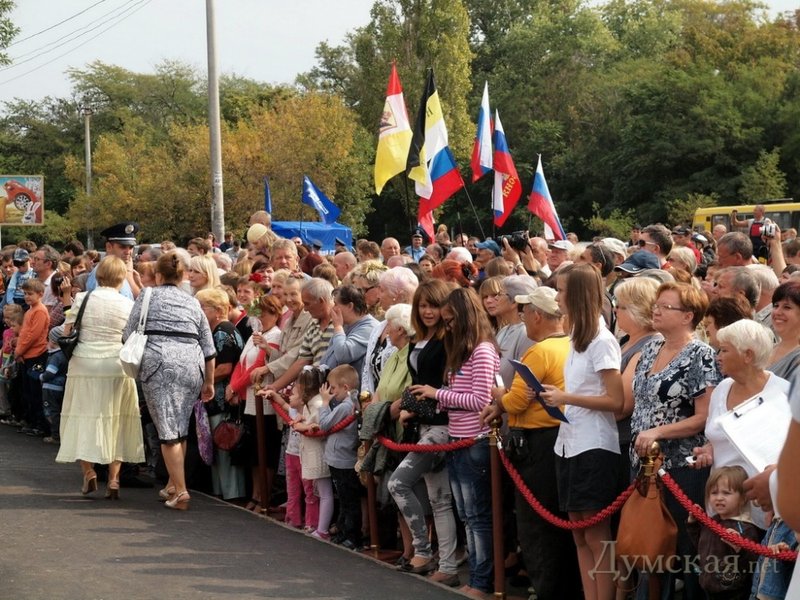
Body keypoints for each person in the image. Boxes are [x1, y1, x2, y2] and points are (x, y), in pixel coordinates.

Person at [481, 286, 583, 599]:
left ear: (538, 315)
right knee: (556, 523)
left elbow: (516, 402)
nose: (523, 317)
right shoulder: (570, 345)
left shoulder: (539, 351)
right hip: (561, 439)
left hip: (538, 443)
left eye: (526, 311)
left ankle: (549, 590)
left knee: (538, 527)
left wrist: (500, 396)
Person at [631, 281, 721, 599]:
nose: (656, 309)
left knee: (685, 549)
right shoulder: (651, 348)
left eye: (666, 306)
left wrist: (657, 432)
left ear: (688, 316)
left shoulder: (702, 355)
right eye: (657, 303)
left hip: (682, 466)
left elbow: (703, 416)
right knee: (649, 546)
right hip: (643, 465)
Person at [410, 287, 500, 598]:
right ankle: (475, 577)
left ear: (464, 319)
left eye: (450, 322)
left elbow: (481, 399)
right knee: (466, 514)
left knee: (477, 516)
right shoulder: (462, 351)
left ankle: (482, 581)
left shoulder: (483, 351)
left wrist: (438, 395)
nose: (446, 328)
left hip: (475, 440)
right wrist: (435, 400)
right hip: (458, 438)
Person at [540, 263, 623, 600]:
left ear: (575, 294)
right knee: (579, 533)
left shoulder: (602, 341)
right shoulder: (577, 338)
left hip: (595, 446)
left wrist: (565, 397)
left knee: (596, 535)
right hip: (570, 442)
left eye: (561, 290)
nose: (557, 297)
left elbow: (616, 400)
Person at [124, 251, 216, 511]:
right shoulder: (193, 301)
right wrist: (208, 381)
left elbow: (128, 332)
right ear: (183, 275)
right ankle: (175, 485)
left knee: (167, 433)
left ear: (158, 275)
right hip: (192, 366)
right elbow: (208, 346)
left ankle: (182, 490)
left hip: (159, 365)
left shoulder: (147, 295)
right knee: (179, 429)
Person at [56, 257, 144, 498]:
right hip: (116, 364)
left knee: (82, 417)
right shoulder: (128, 303)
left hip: (84, 363)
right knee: (117, 420)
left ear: (99, 275)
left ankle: (89, 473)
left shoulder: (84, 298)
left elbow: (67, 329)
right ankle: (114, 479)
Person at [690, 319, 789, 530]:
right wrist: (708, 450)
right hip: (721, 510)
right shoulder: (721, 389)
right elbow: (716, 437)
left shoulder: (784, 393)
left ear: (748, 355)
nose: (718, 357)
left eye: (724, 350)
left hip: (764, 511)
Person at [228, 293, 283, 511]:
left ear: (275, 314)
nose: (261, 317)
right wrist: (234, 387)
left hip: (266, 401)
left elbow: (258, 368)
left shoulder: (276, 336)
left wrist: (235, 386)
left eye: (265, 313)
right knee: (253, 452)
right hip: (249, 399)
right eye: (258, 313)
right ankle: (254, 493)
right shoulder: (254, 335)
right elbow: (242, 363)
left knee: (266, 452)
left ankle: (264, 496)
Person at [196, 288, 245, 501]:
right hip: (216, 399)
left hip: (223, 399)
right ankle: (220, 492)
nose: (198, 312)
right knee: (216, 449)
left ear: (218, 310)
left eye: (202, 307)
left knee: (224, 445)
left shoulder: (223, 330)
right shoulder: (216, 330)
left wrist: (203, 382)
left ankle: (231, 494)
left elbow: (225, 367)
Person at [686, 466, 763, 599]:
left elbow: (753, 561)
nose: (719, 498)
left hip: (733, 593)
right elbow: (700, 545)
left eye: (726, 493)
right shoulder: (712, 522)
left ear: (743, 498)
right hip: (709, 588)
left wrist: (740, 548)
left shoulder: (745, 528)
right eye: (714, 493)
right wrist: (694, 524)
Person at [318, 364, 362, 550]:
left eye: (333, 388)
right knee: (344, 500)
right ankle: (344, 531)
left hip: (343, 460)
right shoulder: (347, 404)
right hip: (338, 458)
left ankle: (352, 536)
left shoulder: (346, 406)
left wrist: (324, 403)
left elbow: (324, 424)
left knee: (349, 501)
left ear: (345, 388)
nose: (331, 392)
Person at [15, 278, 50, 437]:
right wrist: (20, 351)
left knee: (35, 391)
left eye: (30, 294)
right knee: (27, 390)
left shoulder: (40, 311)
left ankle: (39, 424)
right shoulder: (30, 310)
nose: (27, 297)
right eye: (25, 294)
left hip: (36, 355)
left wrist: (19, 351)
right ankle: (31, 420)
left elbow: (32, 336)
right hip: (26, 355)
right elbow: (23, 334)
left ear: (41, 294)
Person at [320, 285, 378, 377]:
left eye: (336, 304)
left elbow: (343, 355)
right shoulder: (347, 325)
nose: (333, 309)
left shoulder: (370, 327)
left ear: (350, 306)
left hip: (351, 390)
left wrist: (338, 326)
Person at [86, 222, 142, 299]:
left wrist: (130, 278)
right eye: (122, 247)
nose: (128, 252)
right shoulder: (102, 273)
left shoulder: (120, 271)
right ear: (109, 247)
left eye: (131, 247)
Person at [40, 325, 68, 445]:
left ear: (53, 341)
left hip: (51, 387)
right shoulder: (65, 354)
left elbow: (50, 372)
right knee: (59, 409)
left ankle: (55, 435)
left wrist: (42, 377)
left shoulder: (55, 357)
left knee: (51, 411)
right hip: (61, 387)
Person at [767, 280, 800, 380]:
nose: (777, 312)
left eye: (787, 307)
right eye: (776, 306)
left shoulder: (797, 358)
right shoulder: (768, 349)